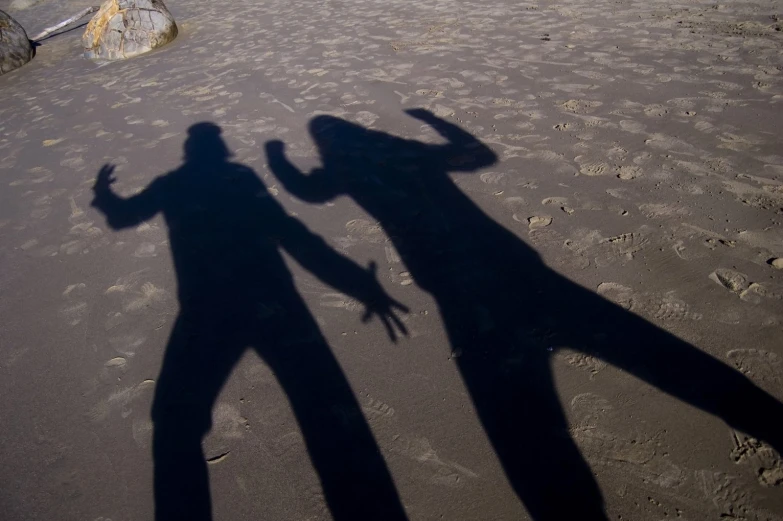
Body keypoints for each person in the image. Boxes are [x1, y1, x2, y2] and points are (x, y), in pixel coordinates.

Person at [266, 109, 783, 520]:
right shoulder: (405, 151)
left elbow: (303, 191)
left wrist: (277, 154)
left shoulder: (341, 170)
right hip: (524, 270)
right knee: (655, 354)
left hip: (464, 300)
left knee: (528, 436)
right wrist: (435, 123)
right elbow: (477, 156)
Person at [92, 122, 409, 521]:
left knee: (175, 423)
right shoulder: (240, 177)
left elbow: (123, 215)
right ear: (219, 150)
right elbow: (293, 235)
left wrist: (102, 195)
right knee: (324, 408)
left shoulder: (170, 184)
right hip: (275, 297)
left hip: (206, 310)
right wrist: (357, 283)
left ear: (191, 152)